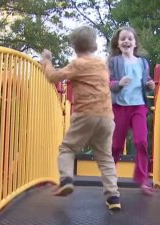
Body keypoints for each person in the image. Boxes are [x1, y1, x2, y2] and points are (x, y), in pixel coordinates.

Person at [40, 25, 121, 211]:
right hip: (107, 117)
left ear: (75, 48)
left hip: (85, 114)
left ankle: (66, 179)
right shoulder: (102, 64)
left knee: (67, 148)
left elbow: (53, 77)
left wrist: (46, 61)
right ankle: (113, 196)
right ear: (94, 45)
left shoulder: (78, 64)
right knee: (105, 158)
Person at [108, 26, 156, 195]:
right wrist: (119, 84)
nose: (126, 41)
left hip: (138, 107)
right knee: (116, 145)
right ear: (118, 43)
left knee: (141, 142)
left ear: (135, 43)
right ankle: (109, 177)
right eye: (123, 39)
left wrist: (150, 85)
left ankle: (142, 179)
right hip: (120, 107)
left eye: (129, 38)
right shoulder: (114, 61)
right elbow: (110, 83)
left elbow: (146, 81)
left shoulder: (142, 62)